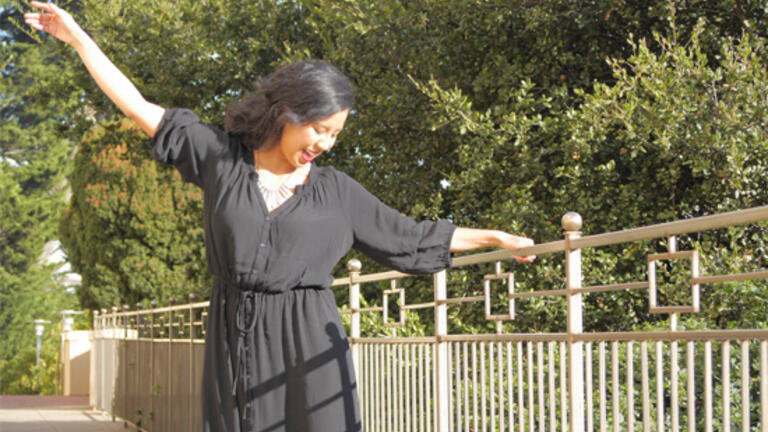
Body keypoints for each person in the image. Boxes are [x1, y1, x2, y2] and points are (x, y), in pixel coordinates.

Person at [25, 2, 536, 431]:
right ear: (288, 112)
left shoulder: (337, 192)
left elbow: (410, 238)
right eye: (320, 128)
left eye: (336, 134)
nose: (325, 143)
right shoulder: (220, 159)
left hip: (311, 343)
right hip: (235, 337)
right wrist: (76, 37)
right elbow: (137, 105)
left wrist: (494, 237)